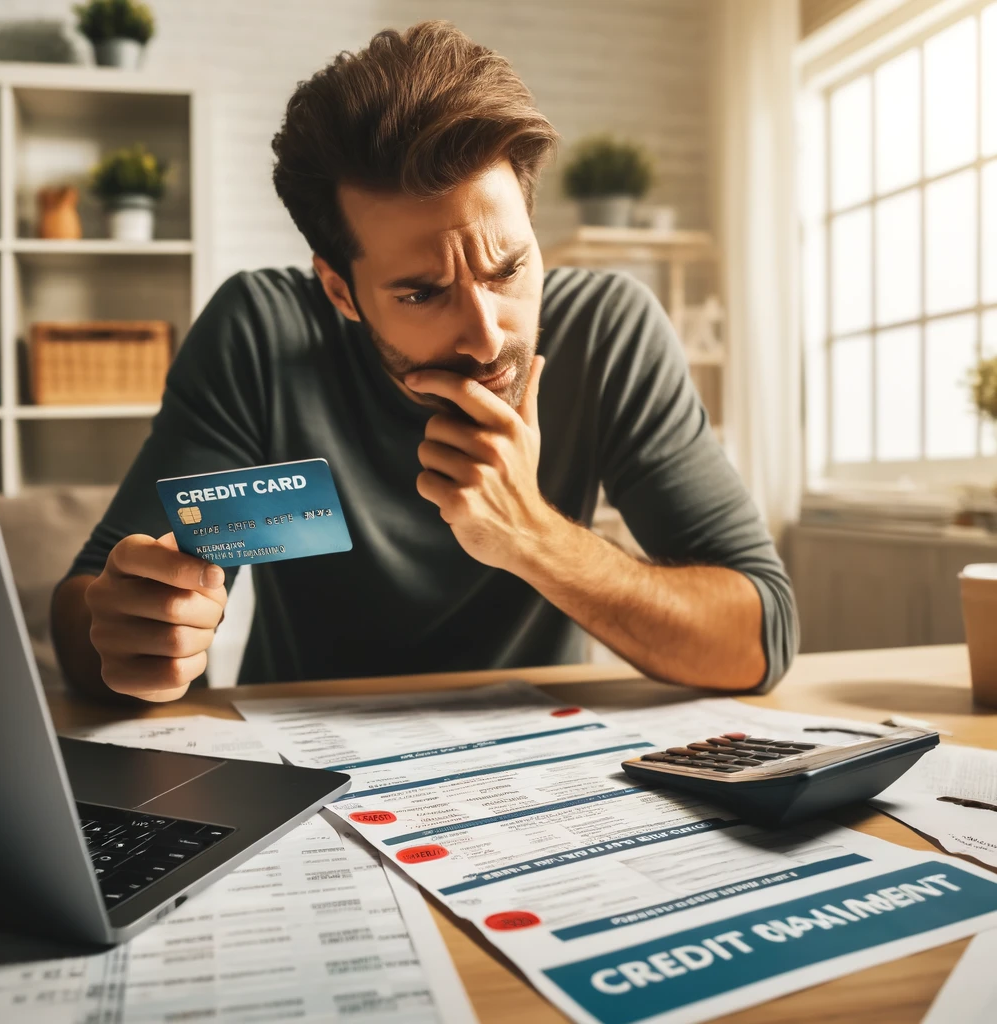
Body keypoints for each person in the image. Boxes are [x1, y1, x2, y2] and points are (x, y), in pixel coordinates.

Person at [52, 21, 797, 704]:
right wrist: (134, 631)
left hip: (550, 764)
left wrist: (533, 535)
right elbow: (93, 601)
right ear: (341, 291)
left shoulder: (609, 334)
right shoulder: (264, 338)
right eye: (421, 293)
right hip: (311, 774)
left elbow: (760, 639)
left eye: (507, 270)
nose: (484, 334)